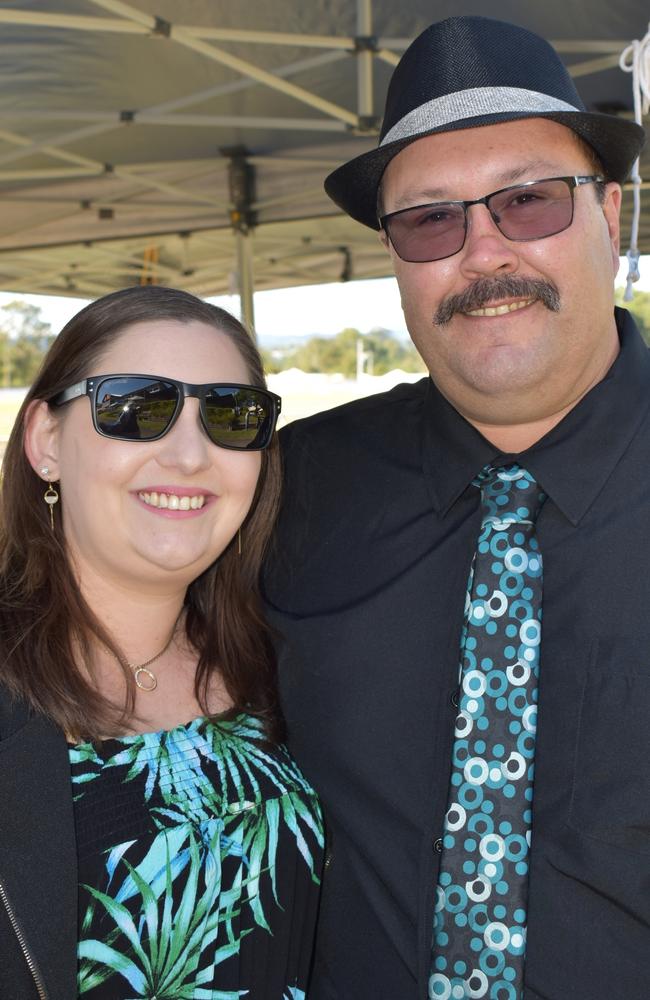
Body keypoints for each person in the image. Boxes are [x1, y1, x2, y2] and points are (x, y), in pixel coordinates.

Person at [262, 15, 649, 1000]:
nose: (482, 252)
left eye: (527, 201)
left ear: (612, 211)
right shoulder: (289, 488)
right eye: (431, 219)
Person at [0, 285, 324, 1000]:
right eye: (137, 407)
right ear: (45, 442)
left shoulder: (282, 658)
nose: (188, 455)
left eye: (230, 416)